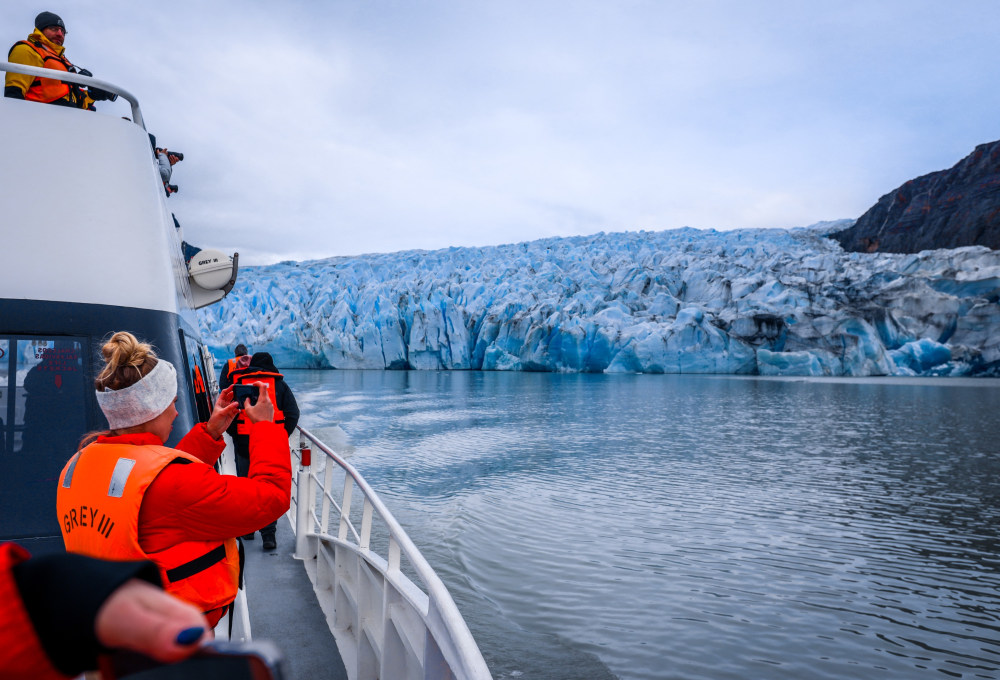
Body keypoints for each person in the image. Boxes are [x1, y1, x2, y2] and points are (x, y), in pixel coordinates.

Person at [57, 331, 291, 626]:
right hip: (168, 643)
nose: (176, 411)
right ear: (153, 408)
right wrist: (265, 427)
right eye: (172, 402)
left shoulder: (79, 465)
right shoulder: (174, 486)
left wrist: (210, 432)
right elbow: (272, 496)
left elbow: (150, 483)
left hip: (109, 625)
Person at [1, 541, 208, 680]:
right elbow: (236, 507)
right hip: (175, 599)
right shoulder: (173, 479)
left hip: (117, 611)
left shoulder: (73, 477)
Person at [226, 352, 299, 551]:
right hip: (268, 444)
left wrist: (237, 436)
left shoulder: (241, 386)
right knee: (268, 489)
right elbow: (293, 413)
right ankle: (269, 536)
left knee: (246, 486)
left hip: (244, 445)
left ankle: (248, 531)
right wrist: (280, 435)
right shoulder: (279, 386)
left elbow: (230, 414)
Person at [5, 11, 95, 109]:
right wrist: (17, 118)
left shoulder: (64, 61)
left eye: (63, 31)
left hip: (66, 119)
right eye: (54, 29)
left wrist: (93, 96)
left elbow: (73, 102)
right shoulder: (27, 50)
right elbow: (14, 93)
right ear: (41, 30)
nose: (60, 34)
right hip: (40, 117)